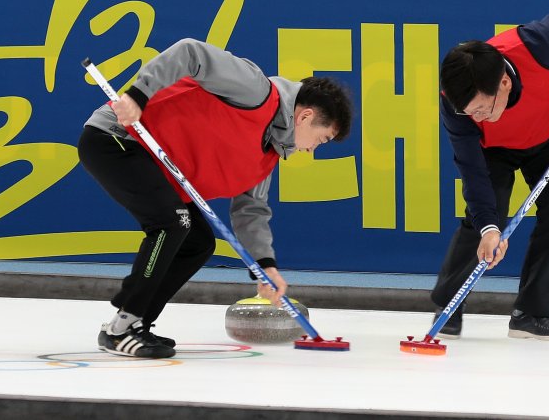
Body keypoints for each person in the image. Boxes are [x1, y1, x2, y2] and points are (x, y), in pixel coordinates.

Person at [78, 38, 352, 358]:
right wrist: (138, 95)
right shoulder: (255, 90)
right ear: (304, 116)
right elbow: (191, 52)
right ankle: (120, 330)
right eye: (321, 139)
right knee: (172, 223)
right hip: (119, 138)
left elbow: (251, 211)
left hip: (155, 166)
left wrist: (265, 266)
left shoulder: (269, 154)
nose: (311, 149)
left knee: (198, 243)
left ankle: (135, 324)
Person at [431, 7, 549, 341]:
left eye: (483, 109)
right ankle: (448, 305)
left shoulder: (534, 44)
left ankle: (531, 313)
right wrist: (490, 227)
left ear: (503, 82)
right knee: (482, 221)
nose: (478, 116)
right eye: (470, 113)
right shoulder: (456, 103)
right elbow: (471, 170)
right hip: (493, 152)